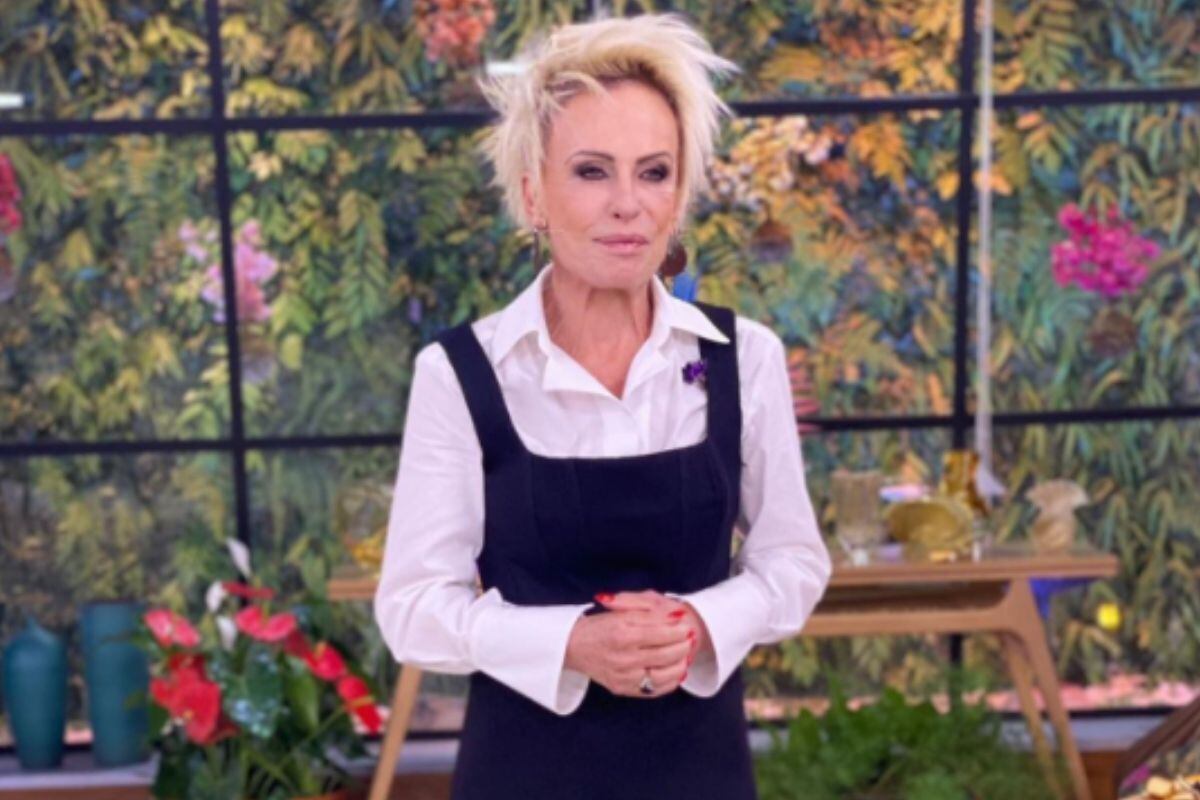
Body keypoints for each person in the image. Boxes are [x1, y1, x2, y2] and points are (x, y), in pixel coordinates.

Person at [374, 13, 831, 799]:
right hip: (521, 775)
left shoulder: (743, 357)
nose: (628, 204)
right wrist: (573, 644)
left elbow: (794, 563)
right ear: (534, 194)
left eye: (654, 173)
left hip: (701, 774)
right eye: (592, 171)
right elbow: (413, 609)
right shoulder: (460, 373)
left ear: (678, 195)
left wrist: (697, 625)